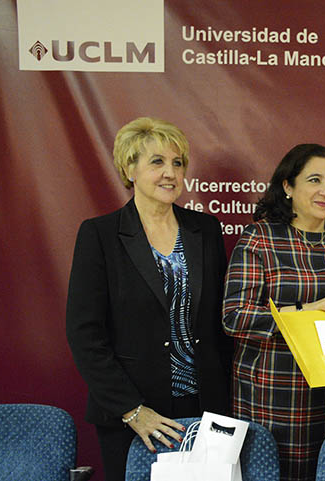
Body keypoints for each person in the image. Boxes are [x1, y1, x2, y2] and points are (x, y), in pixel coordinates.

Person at [65, 117, 231, 481]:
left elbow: (219, 322)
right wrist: (132, 410)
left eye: (178, 163)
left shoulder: (205, 230)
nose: (170, 172)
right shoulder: (100, 235)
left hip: (205, 406)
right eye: (157, 162)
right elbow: (85, 334)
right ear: (129, 168)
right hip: (132, 411)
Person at [222, 144, 325, 481]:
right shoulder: (260, 238)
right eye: (314, 180)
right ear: (288, 186)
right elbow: (234, 317)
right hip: (270, 394)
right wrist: (305, 311)